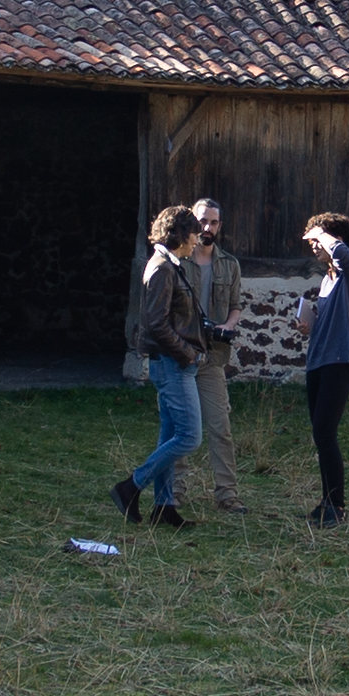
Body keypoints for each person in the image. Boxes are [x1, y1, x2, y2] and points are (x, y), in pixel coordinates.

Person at [113, 207, 212, 527]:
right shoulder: (161, 268)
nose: (198, 239)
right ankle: (131, 486)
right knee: (189, 436)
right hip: (173, 364)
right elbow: (156, 324)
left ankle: (164, 507)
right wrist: (187, 353)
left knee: (170, 434)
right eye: (194, 233)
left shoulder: (170, 265)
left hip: (175, 362)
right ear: (180, 234)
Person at [296, 208, 349, 525]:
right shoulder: (327, 281)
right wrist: (309, 326)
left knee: (326, 432)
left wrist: (322, 232)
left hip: (340, 362)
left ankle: (337, 507)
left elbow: (345, 256)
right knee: (320, 434)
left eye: (318, 239)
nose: (313, 245)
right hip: (319, 362)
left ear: (336, 241)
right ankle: (326, 501)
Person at [184, 196, 244, 512]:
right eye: (203, 221)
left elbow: (235, 307)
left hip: (213, 356)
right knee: (181, 428)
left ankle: (227, 495)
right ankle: (175, 493)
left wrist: (226, 326)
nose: (207, 227)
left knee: (220, 427)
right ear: (192, 220)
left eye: (213, 222)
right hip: (182, 354)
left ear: (220, 225)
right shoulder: (177, 262)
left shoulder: (229, 264)